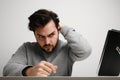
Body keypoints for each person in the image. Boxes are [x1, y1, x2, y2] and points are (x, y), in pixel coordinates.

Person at [3, 9, 91, 76]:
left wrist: (65, 29)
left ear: (58, 30)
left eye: (51, 34)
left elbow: (85, 51)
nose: (47, 42)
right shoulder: (27, 48)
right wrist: (30, 71)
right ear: (34, 34)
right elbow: (7, 70)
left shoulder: (67, 49)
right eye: (41, 36)